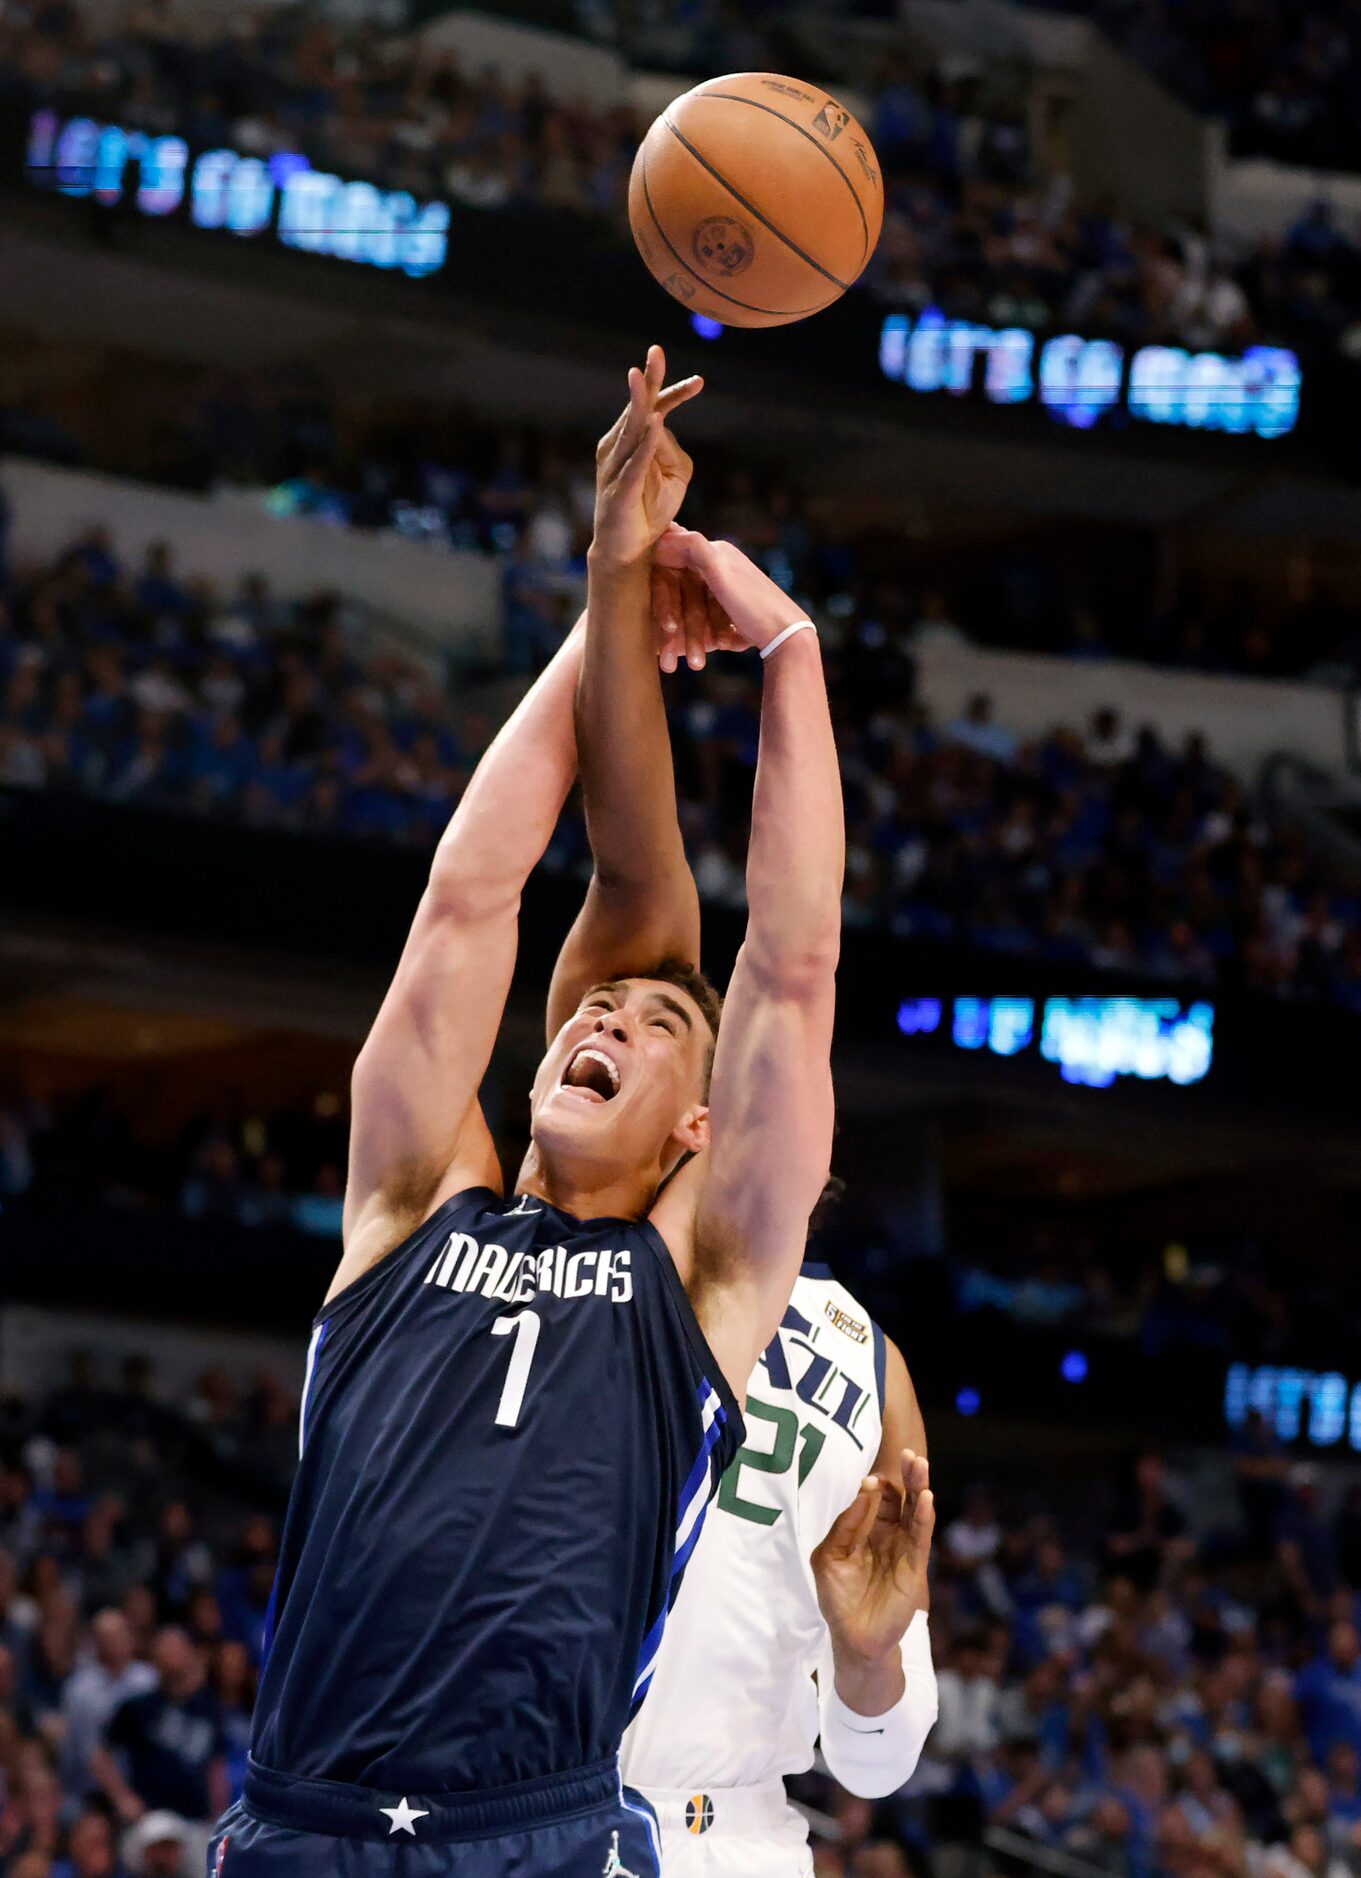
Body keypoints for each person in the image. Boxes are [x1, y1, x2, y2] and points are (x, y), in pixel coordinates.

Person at [208, 346, 846, 1877]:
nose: (607, 1016)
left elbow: (793, 964)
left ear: (699, 1131)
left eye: (651, 1024)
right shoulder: (413, 1203)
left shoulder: (696, 1287)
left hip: (531, 1837)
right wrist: (607, 580)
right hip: (298, 1827)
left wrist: (792, 657)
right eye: (593, 1010)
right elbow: (466, 897)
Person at [559, 456, 938, 1867]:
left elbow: (880, 1761)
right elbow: (632, 868)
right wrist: (615, 596)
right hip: (511, 1811)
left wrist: (869, 1650)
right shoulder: (558, 1233)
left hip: (733, 1837)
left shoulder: (856, 1347)